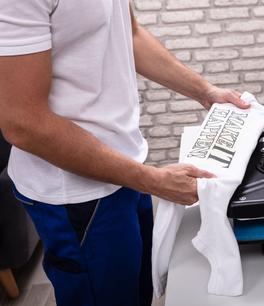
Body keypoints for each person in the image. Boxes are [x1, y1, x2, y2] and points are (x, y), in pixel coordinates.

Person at [0, 1, 249, 306]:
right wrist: (151, 180)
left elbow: (130, 34)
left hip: (124, 169)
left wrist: (204, 91)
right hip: (76, 193)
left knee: (137, 293)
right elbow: (23, 122)